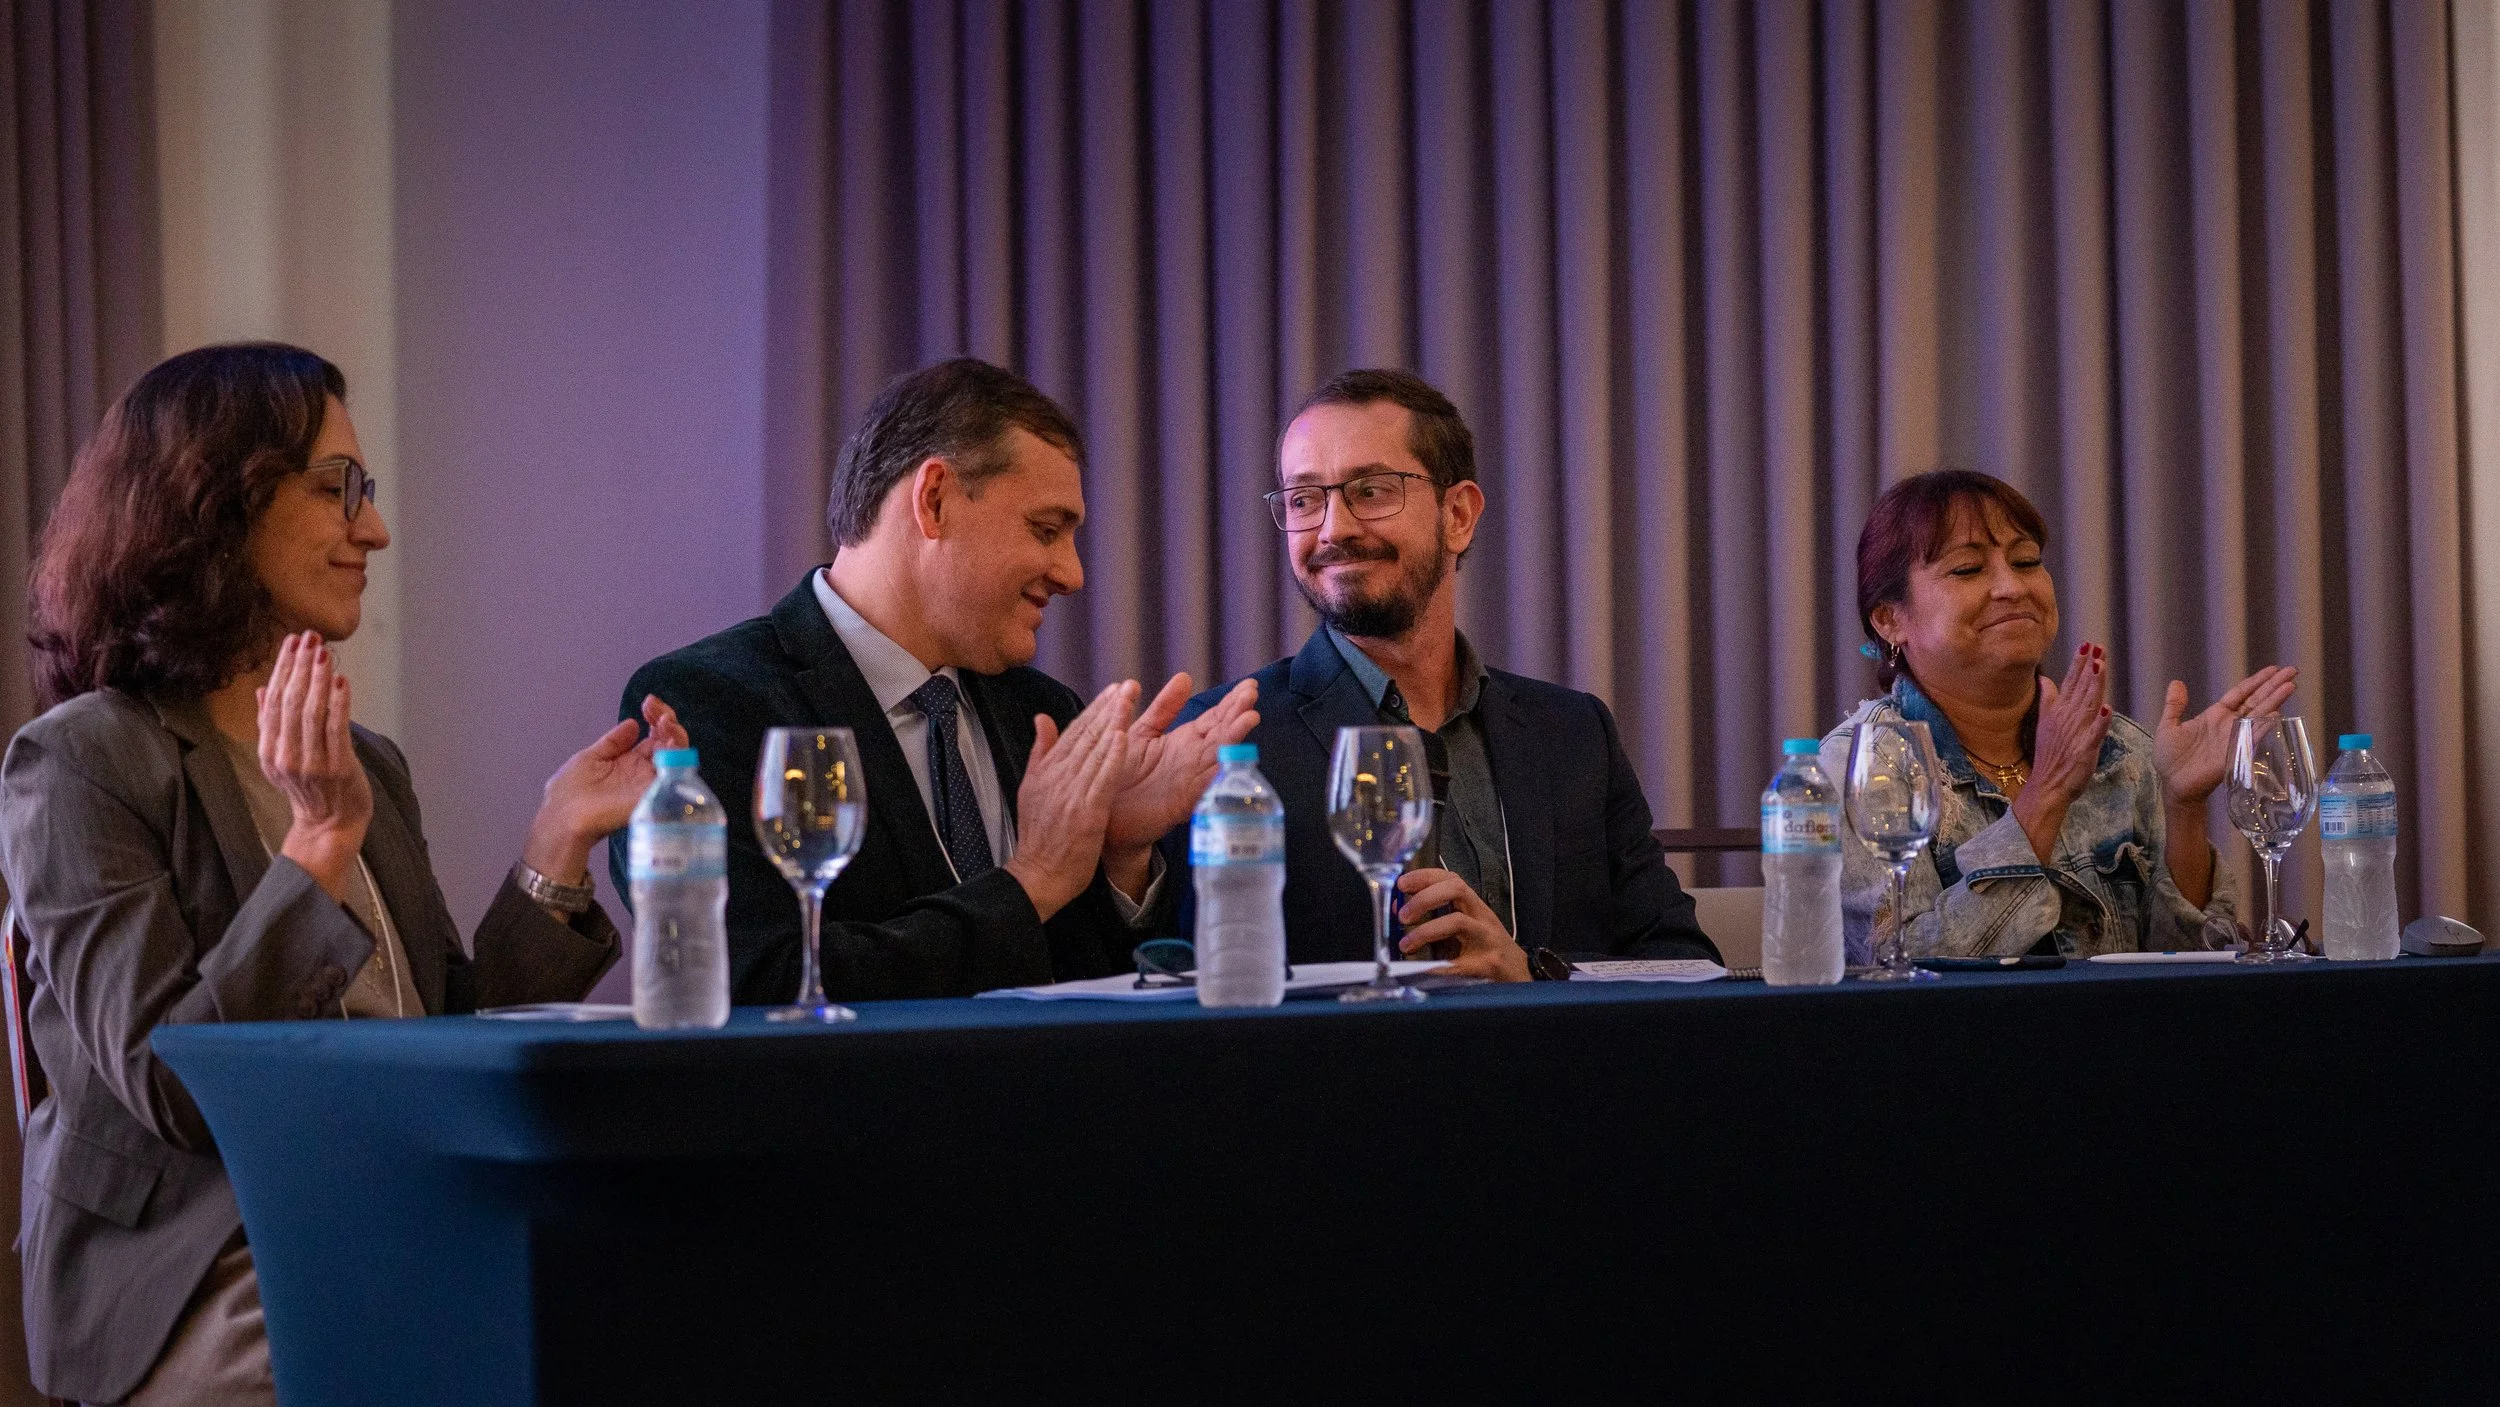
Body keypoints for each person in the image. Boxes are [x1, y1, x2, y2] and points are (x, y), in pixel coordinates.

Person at [0, 343, 684, 1406]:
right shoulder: (85, 759)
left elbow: (446, 1042)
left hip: (398, 1213)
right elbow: (171, 1086)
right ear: (214, 504)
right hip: (212, 1262)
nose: (375, 529)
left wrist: (556, 846)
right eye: (340, 490)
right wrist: (317, 844)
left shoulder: (367, 762)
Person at [618, 358, 1257, 1004]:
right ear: (935, 500)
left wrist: (1118, 855)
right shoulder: (705, 706)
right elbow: (757, 981)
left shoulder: (1041, 713)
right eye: (1045, 529)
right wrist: (1029, 880)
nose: (1071, 573)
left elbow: (1092, 994)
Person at [1162, 369, 1716, 980]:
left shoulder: (1575, 734)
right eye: (1304, 499)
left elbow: (1686, 964)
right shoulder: (1229, 740)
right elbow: (1164, 976)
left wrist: (1529, 973)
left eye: (1370, 491)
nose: (1333, 528)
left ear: (1458, 514)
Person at [1823, 469, 2296, 960]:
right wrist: (2046, 792)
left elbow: (2184, 966)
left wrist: (2184, 805)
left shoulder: (2123, 751)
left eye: (2026, 561)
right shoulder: (1862, 767)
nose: (2012, 586)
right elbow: (1901, 964)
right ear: (1889, 618)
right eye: (1967, 569)